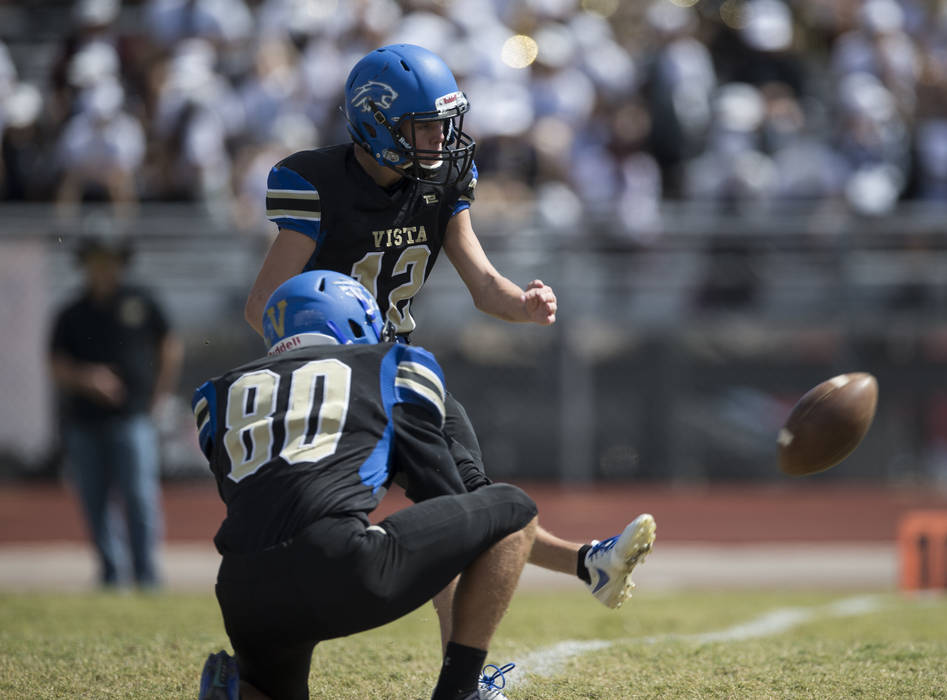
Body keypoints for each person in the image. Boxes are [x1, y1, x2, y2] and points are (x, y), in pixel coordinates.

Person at [242, 44, 656, 642]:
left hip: (399, 366)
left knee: (466, 505)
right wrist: (322, 369)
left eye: (443, 124)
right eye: (424, 126)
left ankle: (584, 568)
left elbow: (483, 283)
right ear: (375, 122)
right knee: (437, 516)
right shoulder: (316, 182)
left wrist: (522, 304)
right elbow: (264, 305)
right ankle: (576, 574)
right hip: (337, 378)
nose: (440, 140)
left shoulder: (442, 180)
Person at [194, 270, 540, 700]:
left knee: (269, 689)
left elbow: (251, 491)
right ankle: (462, 692)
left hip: (242, 589)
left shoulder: (218, 394)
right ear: (354, 321)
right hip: (337, 560)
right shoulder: (389, 364)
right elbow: (444, 492)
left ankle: (240, 691)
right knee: (511, 508)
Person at [49, 233, 183, 589]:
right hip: (85, 420)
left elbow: (170, 346)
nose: (103, 268)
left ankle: (146, 575)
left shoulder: (142, 301)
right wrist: (86, 378)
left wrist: (160, 394)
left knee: (139, 495)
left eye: (109, 260)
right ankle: (111, 574)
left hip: (134, 415)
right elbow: (57, 364)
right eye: (96, 260)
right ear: (85, 265)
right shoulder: (71, 312)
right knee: (95, 500)